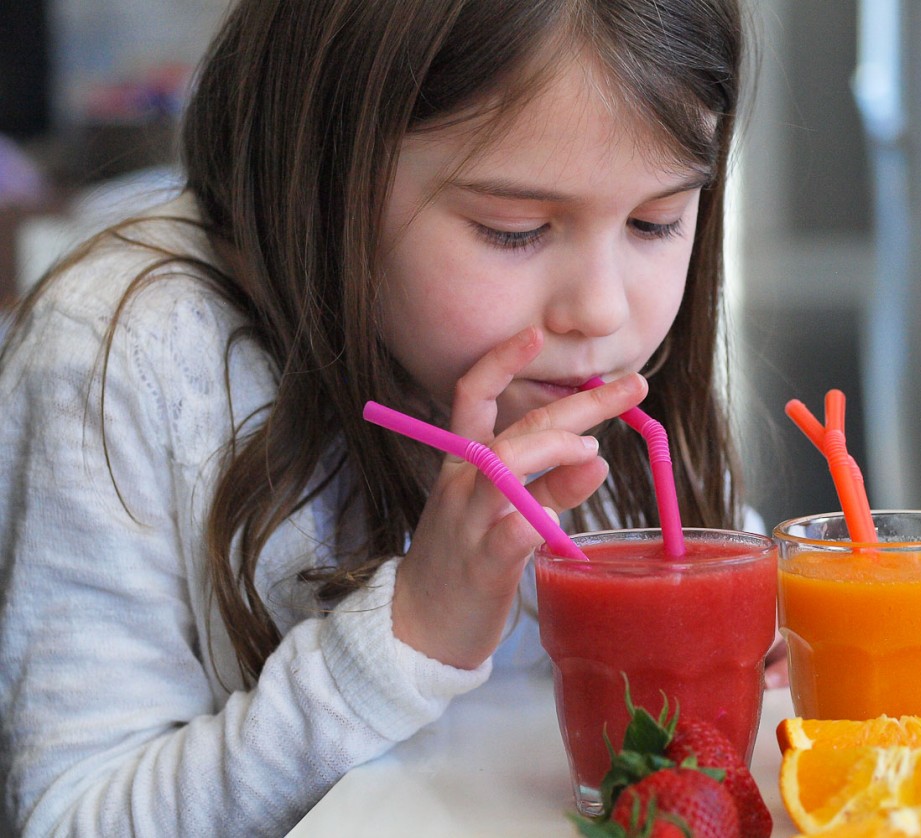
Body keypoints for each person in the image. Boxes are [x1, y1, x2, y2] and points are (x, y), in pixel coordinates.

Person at [0, 1, 775, 835]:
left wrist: (759, 637)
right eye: (513, 230)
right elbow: (70, 815)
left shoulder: (580, 380)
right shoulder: (124, 356)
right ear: (321, 166)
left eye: (656, 221)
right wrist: (409, 632)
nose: (601, 308)